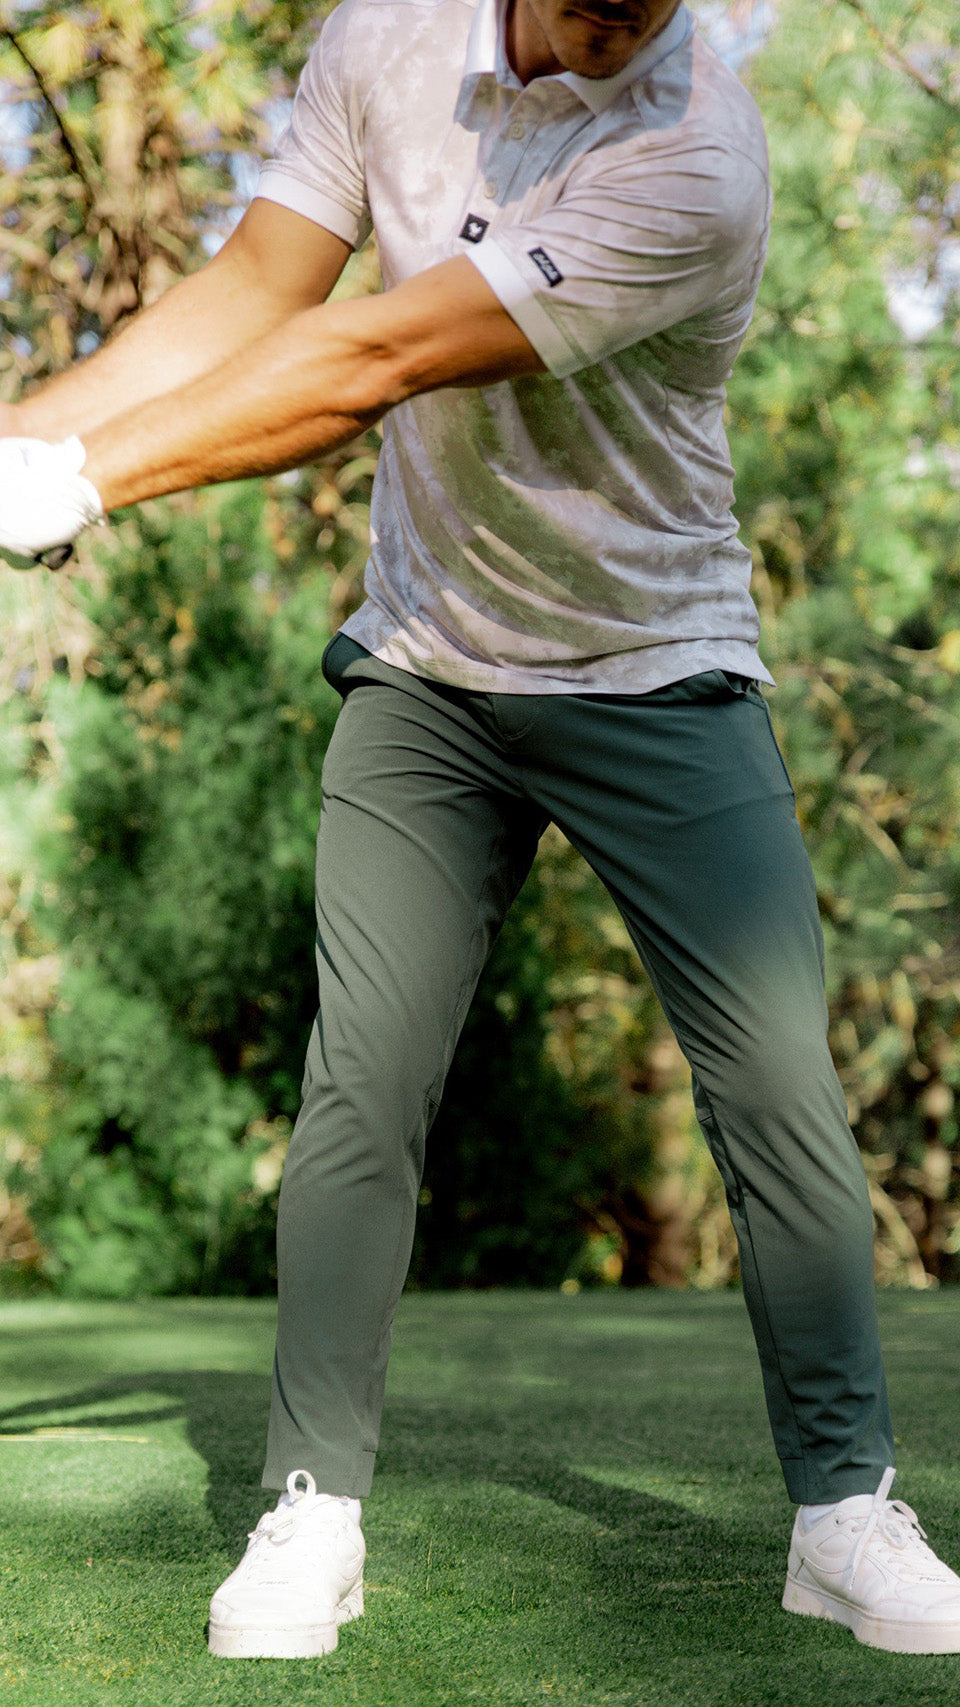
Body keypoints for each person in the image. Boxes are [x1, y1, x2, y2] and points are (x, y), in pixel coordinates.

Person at [2, 0, 960, 1664]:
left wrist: (89, 479)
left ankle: (843, 1512)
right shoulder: (384, 41)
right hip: (429, 670)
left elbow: (372, 362)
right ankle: (313, 1510)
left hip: (658, 670)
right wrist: (26, 442)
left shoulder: (696, 158)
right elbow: (260, 286)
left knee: (779, 1090)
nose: (617, 14)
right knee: (361, 1086)